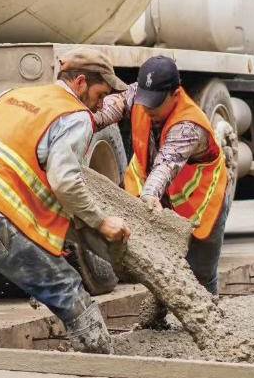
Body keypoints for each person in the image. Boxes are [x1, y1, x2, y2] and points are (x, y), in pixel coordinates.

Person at [0, 49, 131, 352]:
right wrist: (102, 223)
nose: (102, 103)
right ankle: (103, 360)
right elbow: (65, 181)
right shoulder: (75, 116)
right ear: (79, 83)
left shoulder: (17, 95)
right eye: (101, 94)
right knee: (65, 287)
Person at [94, 55, 230, 296]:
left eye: (155, 103)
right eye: (145, 100)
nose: (147, 108)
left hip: (201, 199)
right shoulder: (140, 95)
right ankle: (157, 317)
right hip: (158, 192)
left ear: (175, 94)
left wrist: (148, 195)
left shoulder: (189, 125)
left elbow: (166, 164)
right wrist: (83, 119)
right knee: (158, 263)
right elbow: (111, 107)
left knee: (200, 269)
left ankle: (210, 322)